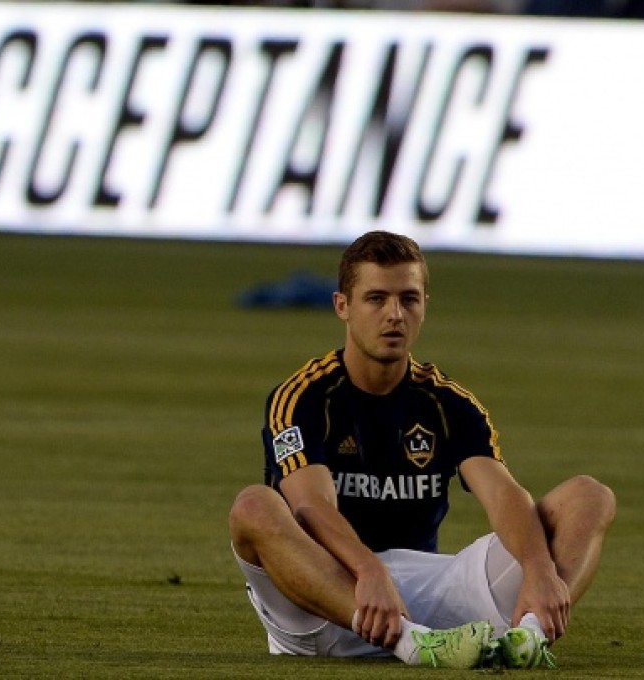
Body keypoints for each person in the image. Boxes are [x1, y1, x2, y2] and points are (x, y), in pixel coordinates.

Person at [228, 230, 616, 669]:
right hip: (324, 602)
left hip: (426, 595)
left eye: (408, 299)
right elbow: (310, 508)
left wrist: (540, 569)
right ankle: (414, 645)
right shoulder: (303, 396)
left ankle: (527, 637)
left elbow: (504, 495)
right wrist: (369, 572)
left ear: (425, 305)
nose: (394, 314)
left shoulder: (449, 402)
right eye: (376, 299)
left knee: (590, 497)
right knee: (254, 506)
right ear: (343, 306)